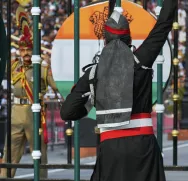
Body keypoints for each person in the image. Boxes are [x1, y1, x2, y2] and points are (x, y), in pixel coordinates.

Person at [60, 1, 177, 180]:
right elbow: (163, 25)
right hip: (142, 146)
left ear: (105, 41)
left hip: (111, 147)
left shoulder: (94, 72)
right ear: (129, 39)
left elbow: (68, 112)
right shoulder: (141, 60)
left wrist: (91, 102)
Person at [0, 8, 59, 178]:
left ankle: (41, 178)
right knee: (10, 151)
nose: (25, 53)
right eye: (22, 50)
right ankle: (4, 177)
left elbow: (56, 87)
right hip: (16, 112)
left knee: (38, 153)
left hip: (34, 114)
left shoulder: (42, 68)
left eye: (28, 50)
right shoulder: (13, 66)